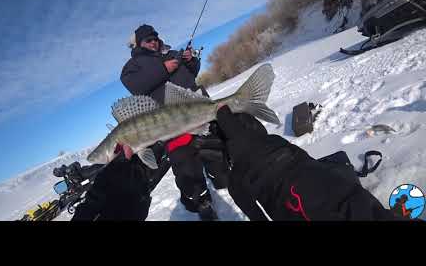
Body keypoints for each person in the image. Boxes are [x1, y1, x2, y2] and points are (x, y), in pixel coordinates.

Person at [73, 105, 403, 221]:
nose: (156, 44)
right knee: (191, 166)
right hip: (174, 131)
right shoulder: (137, 68)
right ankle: (206, 197)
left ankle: (225, 183)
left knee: (220, 157)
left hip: (187, 120)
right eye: (150, 41)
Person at [119, 24, 230, 220]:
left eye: (155, 38)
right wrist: (164, 68)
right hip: (171, 122)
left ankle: (219, 176)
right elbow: (136, 86)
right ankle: (199, 200)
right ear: (138, 44)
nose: (153, 42)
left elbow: (191, 74)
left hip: (198, 108)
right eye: (148, 40)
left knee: (215, 147)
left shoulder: (170, 53)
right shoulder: (132, 67)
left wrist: (191, 61)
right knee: (184, 162)